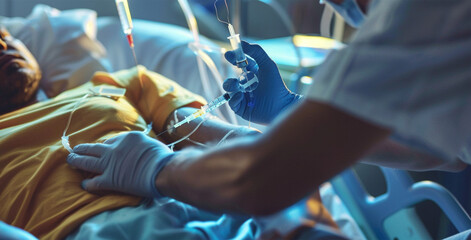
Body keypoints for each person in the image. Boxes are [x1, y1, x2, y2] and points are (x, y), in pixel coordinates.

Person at [68, 0, 471, 224]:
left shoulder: (420, 17)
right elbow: (445, 148)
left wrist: (157, 170)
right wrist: (289, 112)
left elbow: (260, 179)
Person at [0, 26, 347, 240]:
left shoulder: (120, 82)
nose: (2, 46)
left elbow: (244, 150)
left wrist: (284, 115)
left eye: (4, 35)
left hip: (206, 202)